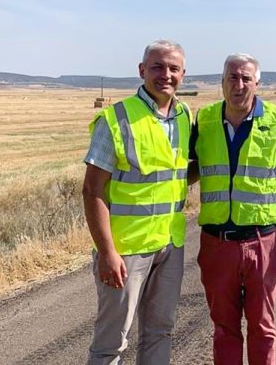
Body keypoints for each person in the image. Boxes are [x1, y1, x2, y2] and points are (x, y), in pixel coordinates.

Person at [82, 39, 192, 364]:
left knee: (160, 332)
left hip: (169, 245)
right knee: (111, 343)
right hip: (126, 248)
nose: (166, 75)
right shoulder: (116, 119)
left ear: (183, 74)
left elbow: (176, 175)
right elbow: (92, 191)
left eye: (173, 68)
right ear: (142, 70)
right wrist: (107, 252)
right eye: (157, 67)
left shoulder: (184, 116)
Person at [191, 52, 276, 365]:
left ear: (257, 82)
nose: (239, 85)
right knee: (223, 328)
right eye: (232, 78)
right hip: (217, 243)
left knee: (263, 327)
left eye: (246, 78)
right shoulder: (206, 119)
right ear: (222, 82)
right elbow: (191, 169)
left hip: (263, 242)